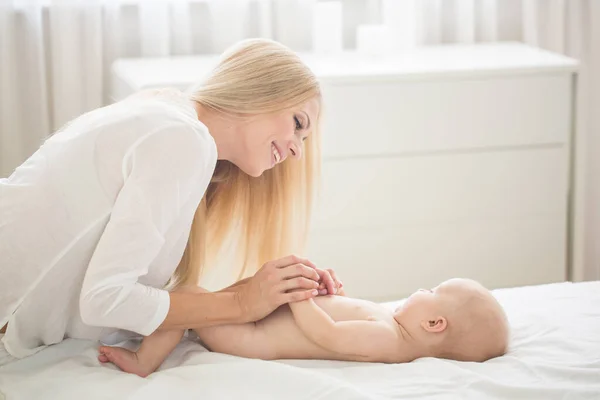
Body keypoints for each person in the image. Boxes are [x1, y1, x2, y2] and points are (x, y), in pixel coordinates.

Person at [0, 38, 343, 362]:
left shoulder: (166, 115)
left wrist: (262, 294)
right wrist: (241, 303)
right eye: (298, 123)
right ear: (258, 89)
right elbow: (103, 301)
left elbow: (111, 298)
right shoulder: (182, 139)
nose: (298, 149)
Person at [98, 278, 509, 377]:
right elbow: (339, 319)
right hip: (261, 321)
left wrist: (301, 297)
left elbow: (328, 334)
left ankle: (143, 360)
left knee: (190, 297)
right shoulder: (392, 326)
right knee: (199, 297)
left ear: (435, 323)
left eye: (432, 289)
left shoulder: (390, 339)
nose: (421, 288)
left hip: (253, 338)